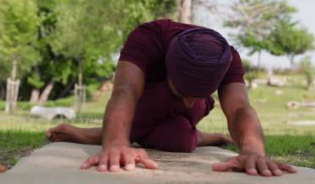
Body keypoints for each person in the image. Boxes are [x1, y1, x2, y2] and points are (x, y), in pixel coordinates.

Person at [47, 19, 296, 177]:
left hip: (156, 115)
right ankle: (99, 134)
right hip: (147, 101)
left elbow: (240, 108)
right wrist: (114, 143)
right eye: (183, 93)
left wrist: (253, 150)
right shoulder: (147, 37)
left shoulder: (226, 57)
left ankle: (96, 133)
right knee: (178, 134)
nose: (186, 104)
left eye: (196, 95)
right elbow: (125, 91)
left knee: (180, 136)